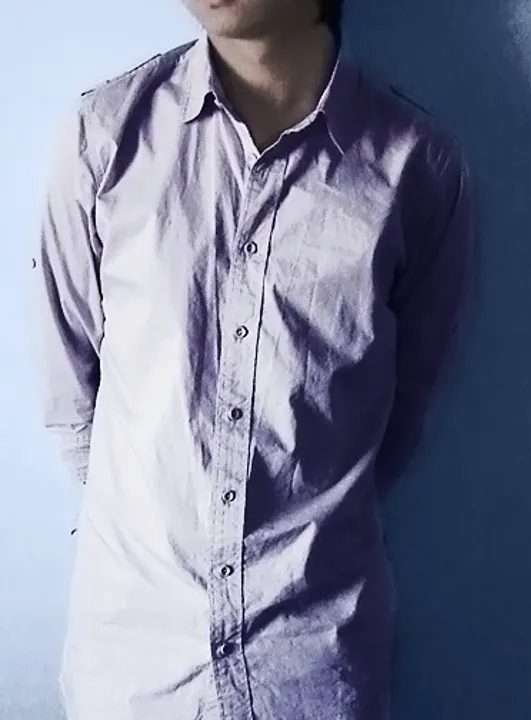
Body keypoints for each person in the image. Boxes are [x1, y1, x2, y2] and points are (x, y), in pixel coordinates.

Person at [32, 0, 476, 718]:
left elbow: (401, 411)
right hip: (135, 669)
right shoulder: (105, 136)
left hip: (314, 665)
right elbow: (72, 394)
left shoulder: (417, 167)